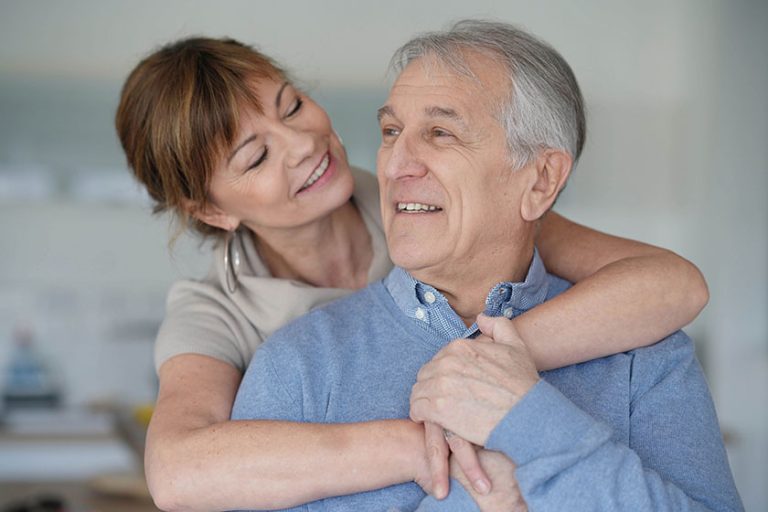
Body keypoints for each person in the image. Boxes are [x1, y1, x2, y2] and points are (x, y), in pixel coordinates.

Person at [114, 35, 710, 511]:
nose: (301, 144)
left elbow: (671, 284)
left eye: (292, 106)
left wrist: (490, 367)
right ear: (213, 211)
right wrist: (424, 445)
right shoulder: (245, 331)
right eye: (256, 156)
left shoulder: (434, 201)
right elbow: (178, 469)